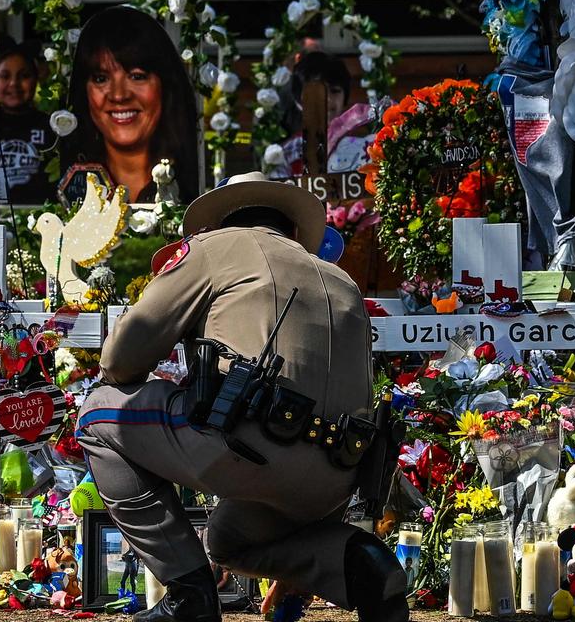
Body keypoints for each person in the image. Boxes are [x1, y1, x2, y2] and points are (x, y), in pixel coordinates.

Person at [76, 171, 405, 622]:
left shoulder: (214, 248)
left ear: (223, 222)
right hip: (336, 480)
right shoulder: (341, 281)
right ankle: (359, 560)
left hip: (247, 441)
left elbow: (119, 359)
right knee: (228, 541)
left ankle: (188, 595)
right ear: (291, 229)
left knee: (95, 413)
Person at [64, 6, 200, 204]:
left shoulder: (199, 180)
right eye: (101, 78)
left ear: (165, 86)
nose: (119, 95)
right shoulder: (70, 187)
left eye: (137, 76)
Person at [267, 51, 374, 179]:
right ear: (298, 100)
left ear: (345, 97)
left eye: (334, 91)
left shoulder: (364, 147)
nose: (327, 99)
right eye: (316, 94)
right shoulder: (286, 153)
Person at [0, 38, 57, 206]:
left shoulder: (51, 127)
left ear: (36, 79)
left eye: (24, 76)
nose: (14, 84)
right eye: (5, 76)